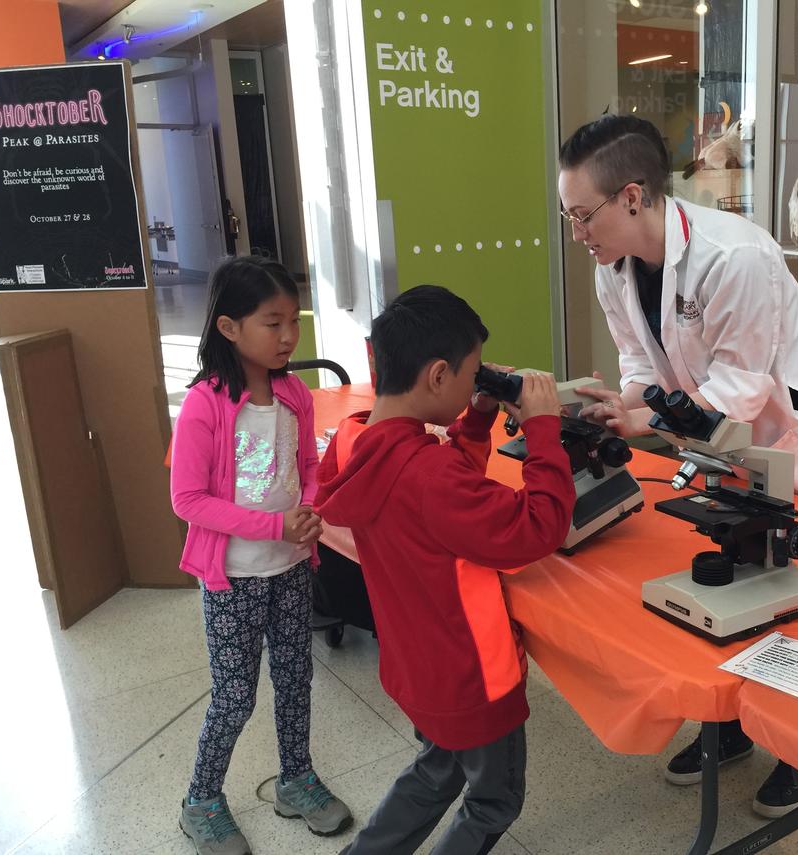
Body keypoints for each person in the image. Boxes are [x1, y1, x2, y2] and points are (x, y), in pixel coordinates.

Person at [557, 114, 798, 818]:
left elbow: (738, 393)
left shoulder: (735, 258)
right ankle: (731, 727)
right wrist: (615, 404)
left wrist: (645, 416)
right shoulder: (613, 272)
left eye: (583, 215)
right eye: (567, 217)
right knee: (738, 565)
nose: (577, 234)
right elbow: (638, 367)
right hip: (723, 442)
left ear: (631, 196)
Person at [315, 285, 576, 855]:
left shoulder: (358, 444)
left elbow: (440, 496)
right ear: (438, 376)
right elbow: (540, 527)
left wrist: (477, 419)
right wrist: (543, 429)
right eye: (472, 374)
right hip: (472, 678)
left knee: (436, 771)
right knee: (493, 802)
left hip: (416, 666)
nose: (474, 383)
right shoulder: (430, 477)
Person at [170, 256, 352, 855]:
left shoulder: (295, 393)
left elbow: (308, 470)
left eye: (292, 322)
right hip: (234, 578)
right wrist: (273, 521)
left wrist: (310, 507)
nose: (289, 337)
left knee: (295, 679)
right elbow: (188, 499)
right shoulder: (205, 403)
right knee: (234, 695)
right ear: (229, 328)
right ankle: (201, 799)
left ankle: (296, 779)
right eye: (272, 324)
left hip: (292, 568)